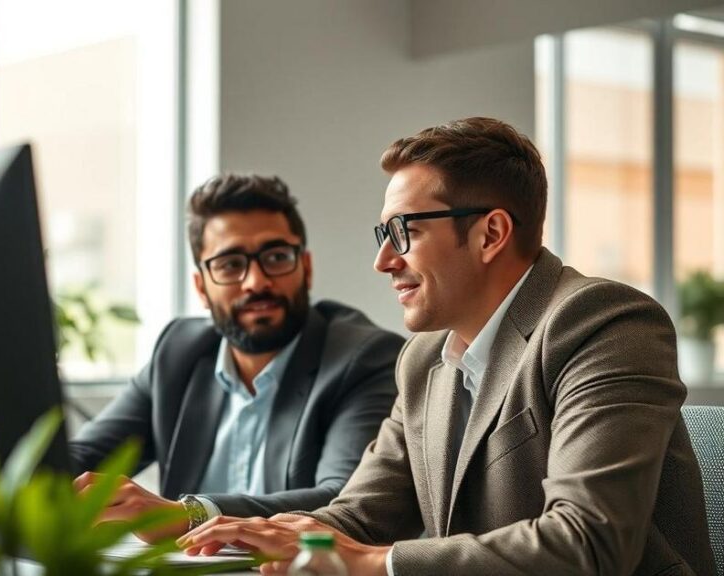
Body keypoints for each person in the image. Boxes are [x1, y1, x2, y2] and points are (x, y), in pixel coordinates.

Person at [177, 118, 715, 575]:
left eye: (404, 231)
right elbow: (360, 514)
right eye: (381, 235)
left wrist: (373, 563)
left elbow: (588, 542)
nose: (384, 260)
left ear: (490, 234)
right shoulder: (423, 360)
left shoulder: (604, 324)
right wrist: (243, 538)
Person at [70, 174, 404, 542]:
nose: (256, 282)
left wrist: (190, 515)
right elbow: (84, 457)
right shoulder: (179, 351)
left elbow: (344, 502)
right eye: (230, 264)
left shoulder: (364, 357)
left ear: (305, 268)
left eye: (276, 257)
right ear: (201, 286)